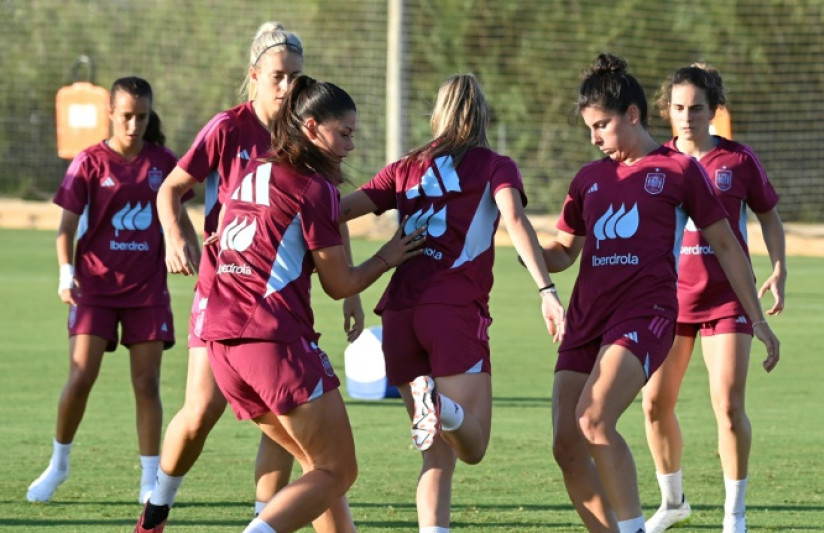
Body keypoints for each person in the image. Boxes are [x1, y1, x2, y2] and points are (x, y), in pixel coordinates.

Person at [543, 53, 781, 533]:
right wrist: (520, 246)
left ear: (632, 115)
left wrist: (758, 319)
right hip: (587, 316)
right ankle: (637, 518)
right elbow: (564, 252)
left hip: (648, 313)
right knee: (567, 444)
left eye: (602, 126)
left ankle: (710, 517)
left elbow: (728, 246)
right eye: (589, 128)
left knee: (596, 419)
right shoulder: (589, 179)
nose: (594, 138)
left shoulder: (678, 170)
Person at [136, 22, 358, 533]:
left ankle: (268, 516)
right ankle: (156, 511)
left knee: (304, 443)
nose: (287, 87)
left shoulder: (309, 134)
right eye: (279, 76)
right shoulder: (228, 129)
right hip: (223, 291)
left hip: (276, 298)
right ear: (254, 76)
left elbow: (326, 214)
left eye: (296, 77)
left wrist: (349, 293)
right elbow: (171, 188)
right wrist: (178, 235)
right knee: (200, 412)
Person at [339, 73, 565, 533]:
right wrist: (547, 291)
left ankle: (437, 415)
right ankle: (444, 406)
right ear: (482, 115)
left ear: (437, 115)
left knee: (435, 456)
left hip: (399, 314)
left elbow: (333, 212)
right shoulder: (494, 165)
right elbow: (515, 220)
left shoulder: (405, 166)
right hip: (453, 310)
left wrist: (351, 287)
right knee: (472, 446)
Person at [202, 75, 423, 533]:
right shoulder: (311, 187)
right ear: (310, 126)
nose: (351, 144)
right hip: (273, 343)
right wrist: (389, 256)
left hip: (222, 347)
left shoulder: (252, 172)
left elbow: (220, 236)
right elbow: (339, 283)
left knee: (316, 466)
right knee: (339, 470)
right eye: (344, 133)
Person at [28, 76, 195, 504]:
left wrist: (188, 246)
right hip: (95, 288)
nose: (133, 124)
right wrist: (66, 273)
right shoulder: (88, 162)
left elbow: (180, 214)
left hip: (146, 292)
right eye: (126, 116)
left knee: (147, 383)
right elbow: (66, 228)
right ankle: (58, 465)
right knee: (81, 375)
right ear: (110, 115)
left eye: (141, 116)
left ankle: (149, 479)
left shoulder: (163, 162)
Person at [640, 64, 786, 533]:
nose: (686, 118)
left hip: (727, 301)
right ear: (667, 111)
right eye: (678, 109)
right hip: (669, 301)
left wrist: (779, 267)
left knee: (727, 405)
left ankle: (734, 515)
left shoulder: (738, 161)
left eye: (696, 109)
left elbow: (769, 217)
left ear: (713, 111)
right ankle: (673, 501)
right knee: (654, 404)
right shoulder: (654, 161)